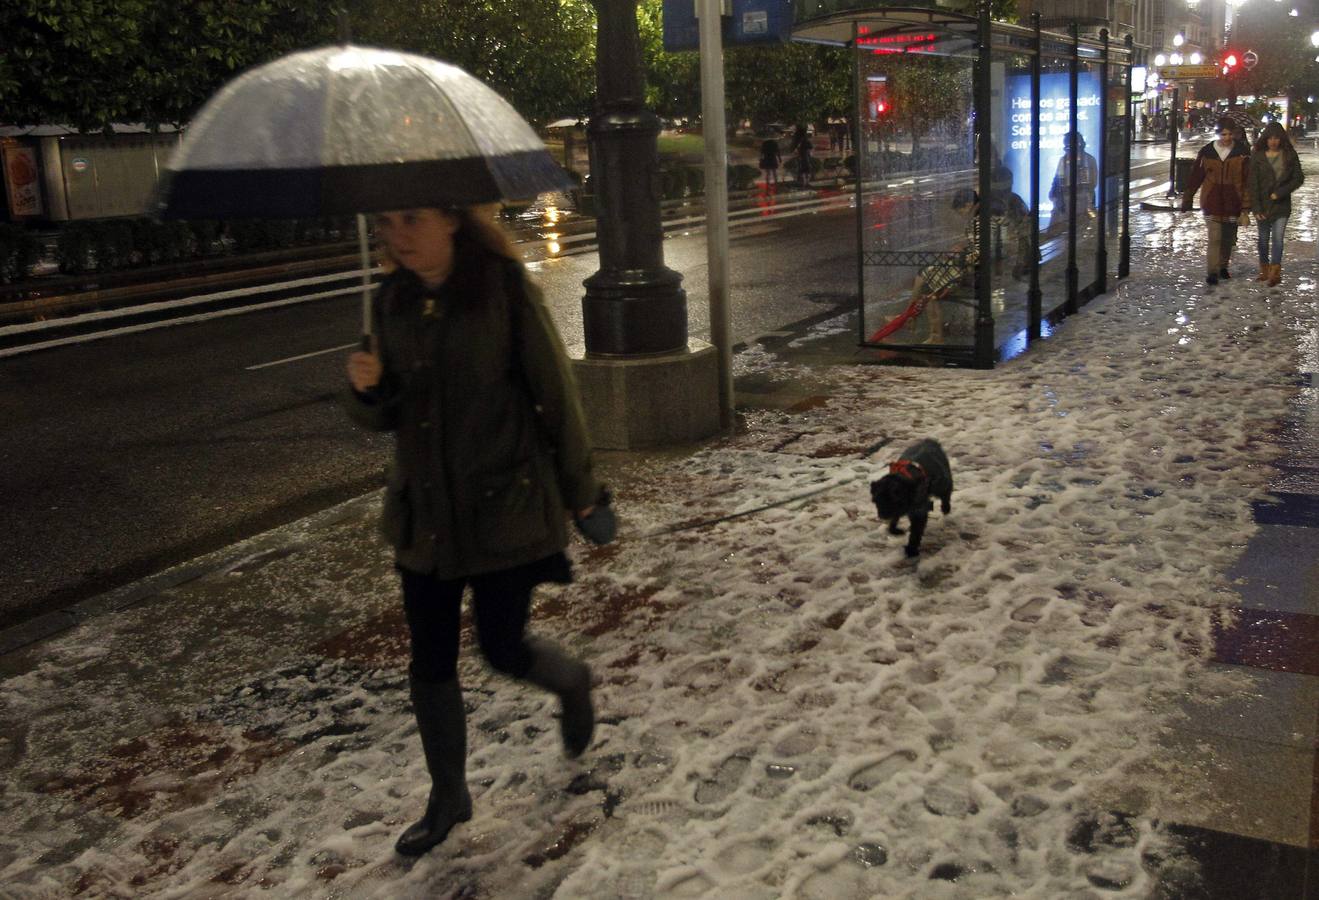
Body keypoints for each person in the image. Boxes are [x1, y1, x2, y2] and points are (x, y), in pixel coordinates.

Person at [344, 204, 616, 857]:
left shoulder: (502, 290)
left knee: (502, 647)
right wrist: (368, 391)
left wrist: (582, 495)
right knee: (430, 660)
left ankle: (571, 682)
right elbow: (385, 417)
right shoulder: (390, 300)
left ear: (450, 221)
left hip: (503, 508)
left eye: (412, 219)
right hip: (425, 518)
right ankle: (448, 796)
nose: (397, 235)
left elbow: (556, 396)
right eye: (387, 223)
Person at [869, 188, 980, 345]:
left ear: (968, 204)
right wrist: (963, 247)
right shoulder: (977, 218)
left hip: (969, 270)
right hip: (967, 266)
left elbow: (980, 253)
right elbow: (977, 246)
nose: (962, 215)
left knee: (927, 287)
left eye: (961, 210)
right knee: (923, 276)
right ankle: (909, 317)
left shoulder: (979, 221)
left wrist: (959, 256)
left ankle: (920, 325)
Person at [1180, 117, 1252, 285]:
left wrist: (1246, 207)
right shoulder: (1207, 152)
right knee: (1215, 238)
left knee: (1228, 239)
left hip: (1233, 201)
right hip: (1211, 200)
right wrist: (1188, 197)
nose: (1226, 138)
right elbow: (1196, 176)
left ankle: (1222, 266)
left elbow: (1247, 181)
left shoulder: (1242, 153)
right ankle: (1212, 271)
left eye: (1229, 134)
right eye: (1223, 134)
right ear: (1218, 133)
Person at [1247, 121, 1304, 286]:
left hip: (1281, 205)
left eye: (1277, 138)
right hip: (1263, 205)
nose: (1273, 141)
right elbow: (1252, 183)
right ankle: (1264, 269)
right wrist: (1256, 207)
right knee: (1263, 239)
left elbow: (1298, 178)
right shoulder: (1258, 156)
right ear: (1265, 139)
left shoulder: (1289, 155)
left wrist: (1280, 192)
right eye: (1270, 138)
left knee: (1278, 238)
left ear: (1281, 139)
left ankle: (1275, 273)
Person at [1048, 131, 1099, 231]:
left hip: (1083, 201)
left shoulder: (1089, 160)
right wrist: (1057, 196)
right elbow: (1058, 180)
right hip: (1065, 203)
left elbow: (1092, 183)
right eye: (1067, 146)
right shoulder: (1063, 160)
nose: (1068, 149)